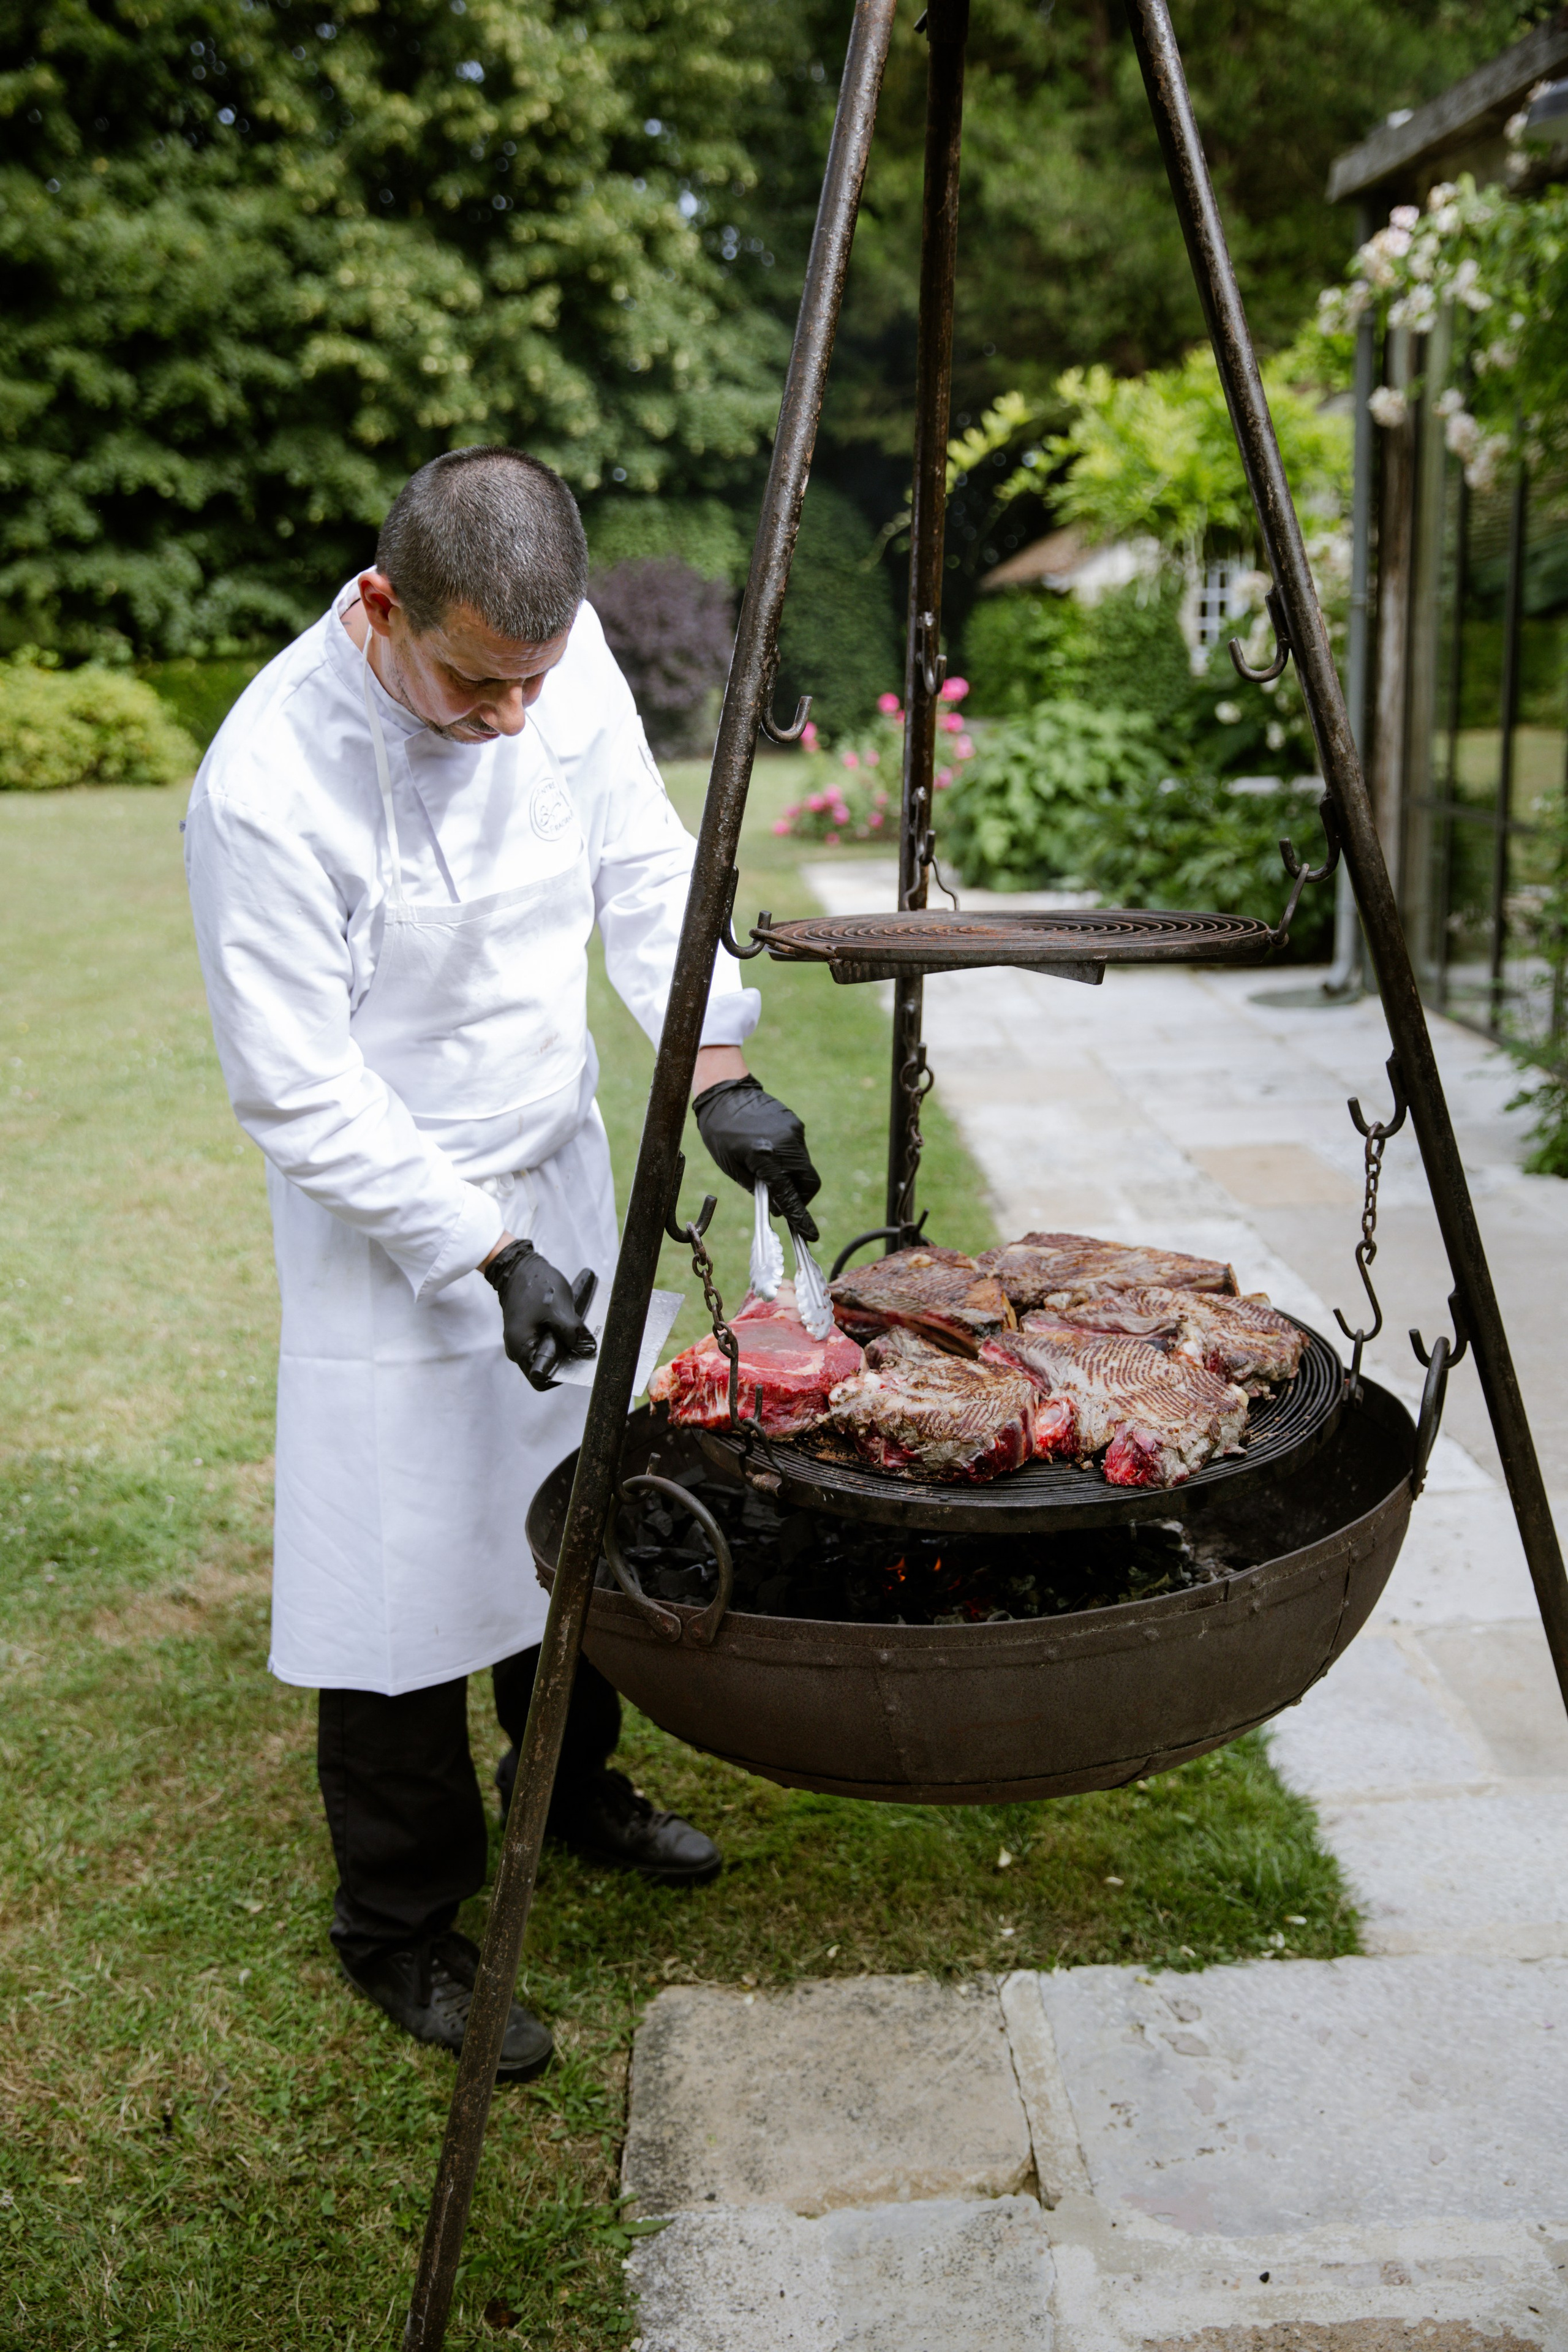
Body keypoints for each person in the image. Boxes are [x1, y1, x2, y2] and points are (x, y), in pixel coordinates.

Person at [184, 447, 820, 2082]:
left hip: (550, 1147)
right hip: (389, 1206)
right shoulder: (268, 783)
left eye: (534, 680)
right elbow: (296, 1086)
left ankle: (577, 1788)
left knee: (575, 1506)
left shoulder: (553, 657)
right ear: (382, 606)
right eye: (477, 682)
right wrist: (478, 1250)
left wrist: (717, 1075)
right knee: (397, 1570)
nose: (512, 717)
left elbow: (636, 865)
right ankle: (398, 1923)